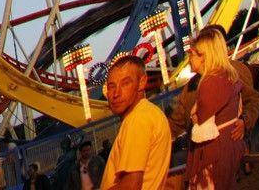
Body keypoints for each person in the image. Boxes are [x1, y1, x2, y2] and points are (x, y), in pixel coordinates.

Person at [183, 26, 247, 189]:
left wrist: (245, 121)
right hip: (226, 150)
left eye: (192, 54)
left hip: (213, 154)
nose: (189, 58)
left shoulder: (212, 81)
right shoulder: (226, 76)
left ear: (204, 56)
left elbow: (201, 118)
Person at [100, 54, 172, 190]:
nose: (116, 93)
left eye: (125, 83)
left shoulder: (137, 119)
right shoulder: (150, 113)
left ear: (142, 82)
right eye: (111, 86)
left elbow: (131, 185)